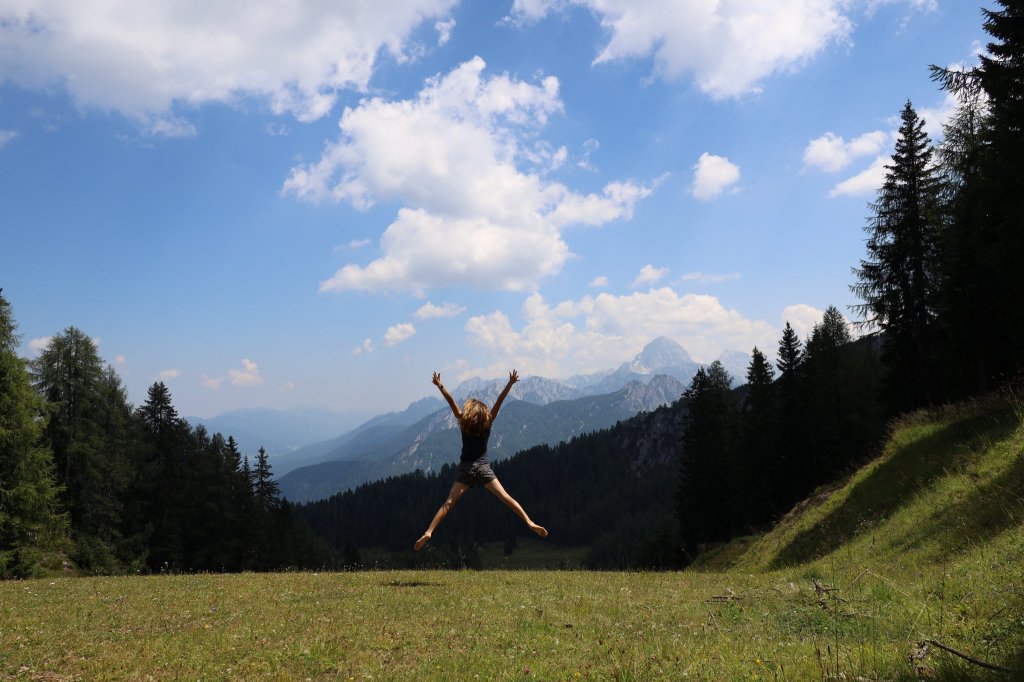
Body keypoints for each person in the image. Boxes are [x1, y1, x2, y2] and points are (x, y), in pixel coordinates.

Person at [414, 370, 548, 551]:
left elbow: (451, 402)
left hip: (466, 470)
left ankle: (429, 531)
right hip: (484, 469)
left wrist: (440, 386)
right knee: (505, 497)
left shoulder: (463, 422)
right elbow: (499, 401)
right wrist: (510, 383)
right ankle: (529, 522)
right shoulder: (487, 423)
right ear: (483, 414)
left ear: (470, 413)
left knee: (449, 503)